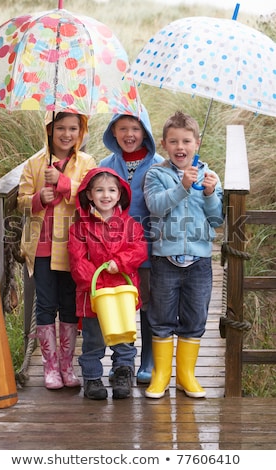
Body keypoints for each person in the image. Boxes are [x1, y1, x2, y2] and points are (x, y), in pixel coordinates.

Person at [143, 111, 224, 399]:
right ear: (165, 144)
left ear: (196, 143)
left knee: (195, 318)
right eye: (174, 141)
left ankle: (186, 376)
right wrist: (183, 186)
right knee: (162, 317)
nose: (181, 147)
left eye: (187, 141)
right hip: (166, 259)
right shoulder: (157, 174)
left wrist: (210, 193)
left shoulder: (209, 175)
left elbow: (216, 219)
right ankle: (161, 375)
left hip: (199, 262)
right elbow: (156, 206)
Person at [17, 111, 96, 390]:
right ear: (49, 130)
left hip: (72, 247)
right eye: (60, 128)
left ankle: (66, 365)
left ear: (81, 131)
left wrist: (63, 183)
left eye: (73, 128)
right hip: (41, 248)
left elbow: (90, 196)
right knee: (47, 305)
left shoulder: (86, 163)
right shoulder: (34, 164)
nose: (66, 134)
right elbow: (21, 202)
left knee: (70, 305)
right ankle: (50, 367)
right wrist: (39, 198)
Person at [67, 168, 148, 400]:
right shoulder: (80, 228)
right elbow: (77, 261)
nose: (106, 195)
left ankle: (123, 373)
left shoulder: (130, 225)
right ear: (89, 194)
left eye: (111, 190)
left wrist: (119, 262)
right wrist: (98, 284)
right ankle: (92, 379)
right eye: (99, 190)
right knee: (93, 339)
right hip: (94, 296)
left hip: (121, 293)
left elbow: (139, 250)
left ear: (120, 193)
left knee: (124, 337)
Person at [99, 106, 164, 384]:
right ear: (113, 130)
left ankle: (148, 359)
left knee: (149, 305)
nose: (129, 134)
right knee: (118, 304)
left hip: (148, 248)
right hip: (114, 251)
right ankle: (122, 359)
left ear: (145, 133)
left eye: (136, 129)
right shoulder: (105, 165)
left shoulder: (160, 164)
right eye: (123, 128)